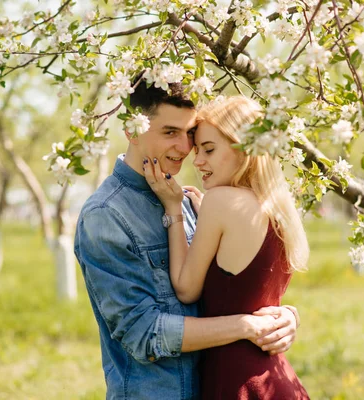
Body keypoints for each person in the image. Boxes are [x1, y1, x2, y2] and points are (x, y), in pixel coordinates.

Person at [74, 80, 300, 400]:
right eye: (170, 132)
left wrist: (285, 317)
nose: (185, 149)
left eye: (189, 134)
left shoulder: (188, 201)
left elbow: (227, 289)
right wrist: (246, 326)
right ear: (132, 129)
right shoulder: (105, 215)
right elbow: (143, 333)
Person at [142, 96, 310, 399]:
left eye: (209, 149)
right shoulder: (278, 209)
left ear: (244, 150)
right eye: (198, 151)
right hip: (278, 378)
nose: (198, 161)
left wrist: (174, 209)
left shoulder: (221, 202)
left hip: (236, 378)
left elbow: (185, 288)